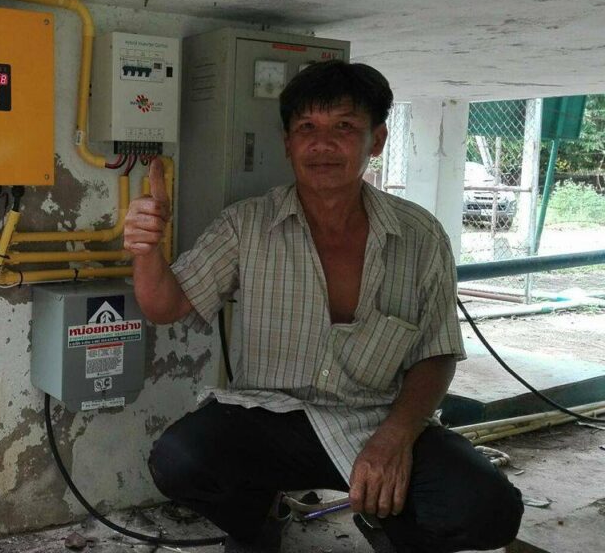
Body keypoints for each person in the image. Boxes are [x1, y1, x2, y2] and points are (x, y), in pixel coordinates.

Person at [123, 60, 523, 553]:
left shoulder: (420, 235)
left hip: (377, 416)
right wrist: (146, 249)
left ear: (376, 140)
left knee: (489, 510)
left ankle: (389, 521)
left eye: (344, 127)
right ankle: (257, 521)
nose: (322, 144)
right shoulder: (246, 225)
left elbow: (437, 353)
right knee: (180, 460)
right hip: (270, 416)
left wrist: (395, 437)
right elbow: (165, 306)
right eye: (306, 128)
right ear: (288, 143)